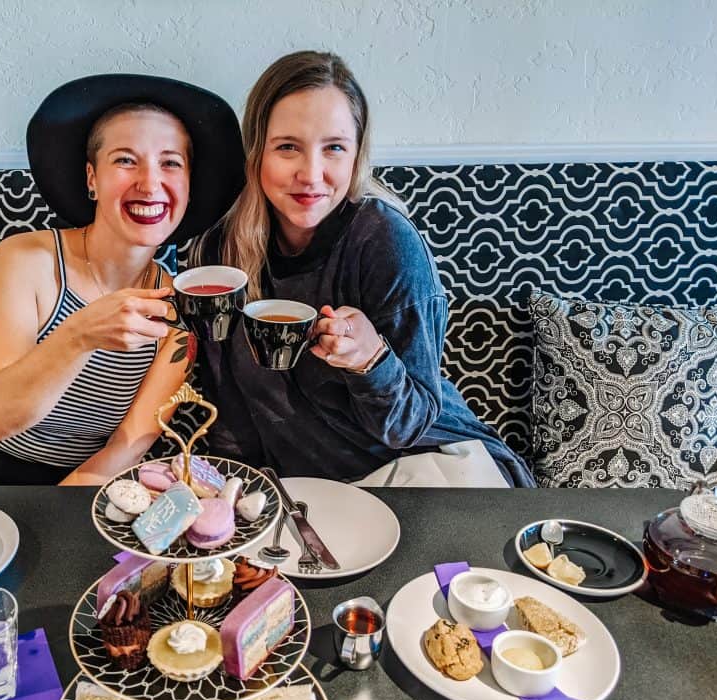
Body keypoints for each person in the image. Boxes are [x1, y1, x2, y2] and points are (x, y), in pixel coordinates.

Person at [192, 51, 535, 487]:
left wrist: (370, 360)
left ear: (357, 156)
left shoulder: (384, 241)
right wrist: (233, 493)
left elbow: (407, 426)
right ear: (257, 151)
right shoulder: (219, 253)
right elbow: (232, 415)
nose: (311, 174)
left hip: (435, 473)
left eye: (333, 148)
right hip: (318, 496)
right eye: (287, 148)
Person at [0, 74, 244, 485]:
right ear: (92, 179)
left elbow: (130, 443)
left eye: (170, 162)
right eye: (124, 160)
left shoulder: (179, 307)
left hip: (92, 486)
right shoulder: (26, 260)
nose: (150, 183)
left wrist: (59, 527)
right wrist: (80, 334)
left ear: (187, 185)